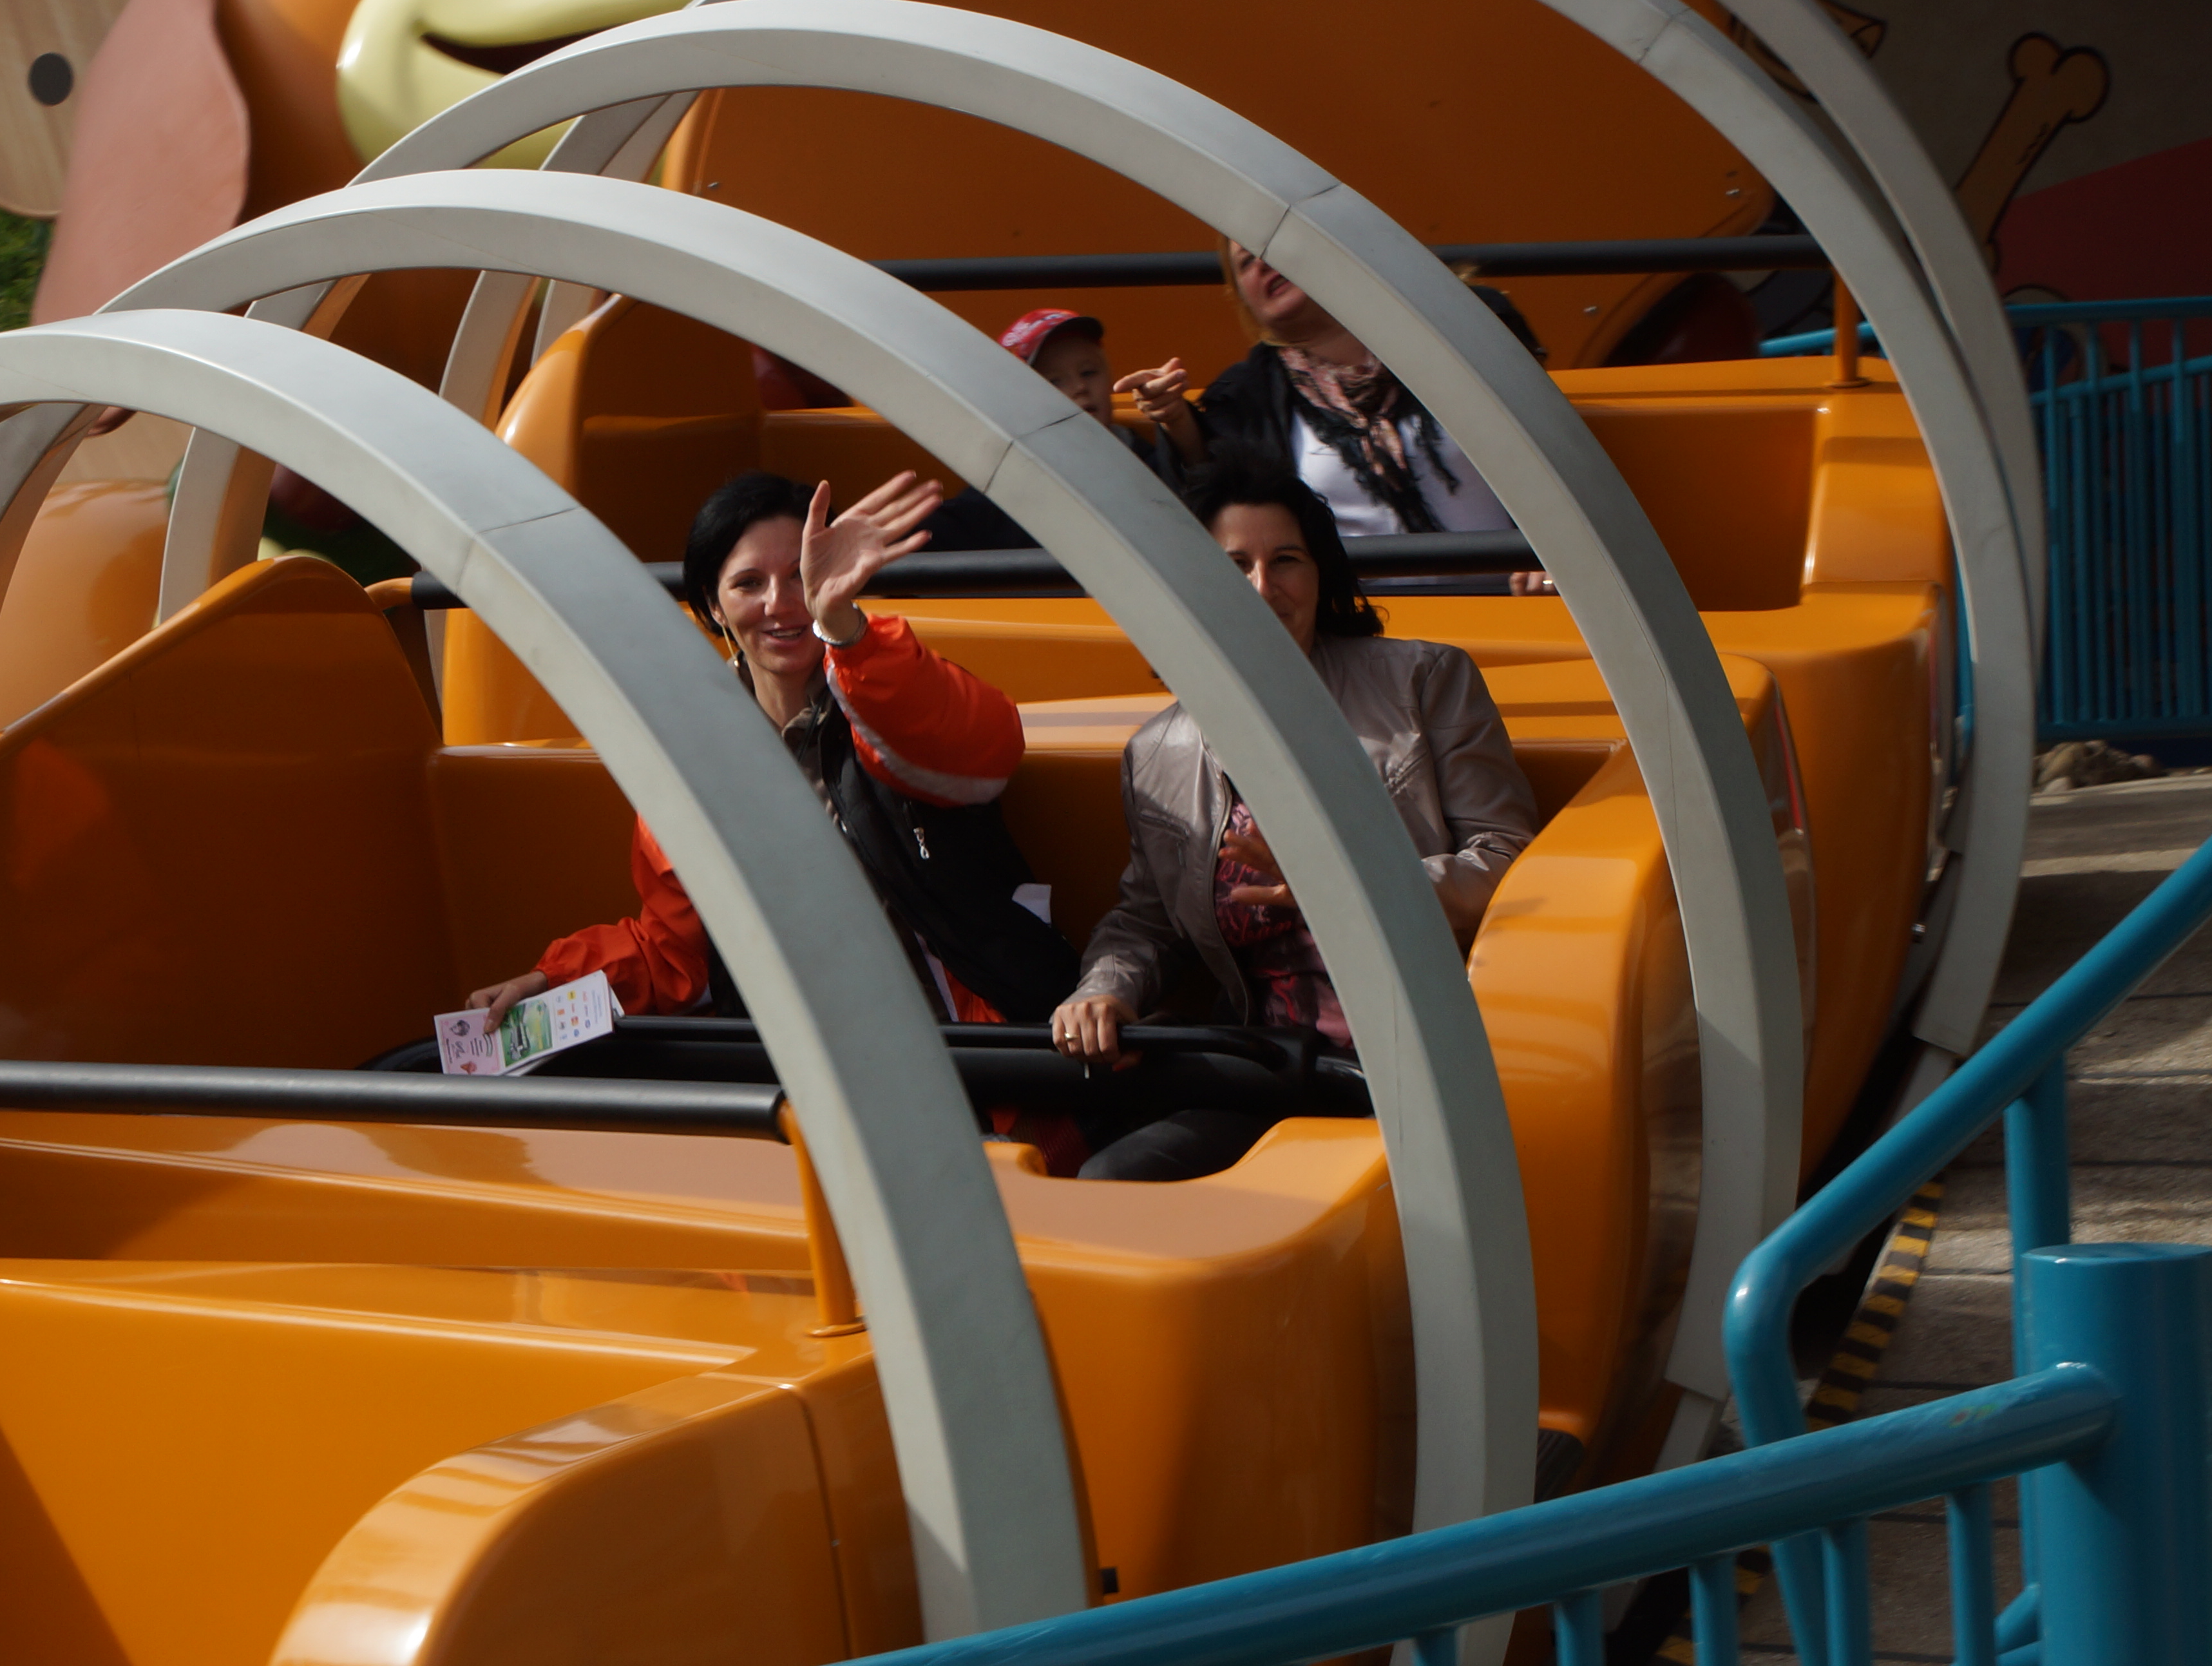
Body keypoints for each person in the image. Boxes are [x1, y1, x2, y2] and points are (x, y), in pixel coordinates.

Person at [1049, 454, 1539, 1182]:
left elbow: (1508, 858)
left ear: (1320, 576)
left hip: (1429, 1054)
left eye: (1285, 561)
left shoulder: (1424, 682)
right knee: (1113, 1183)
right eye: (1233, 566)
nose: (1261, 587)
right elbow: (1149, 920)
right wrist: (1105, 988)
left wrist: (1353, 884)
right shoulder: (1157, 753)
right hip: (1273, 1065)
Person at [466, 468, 1083, 1031]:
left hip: (968, 1054)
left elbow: (986, 749)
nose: (781, 604)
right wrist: (554, 983)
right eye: (749, 584)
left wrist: (845, 627)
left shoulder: (888, 689)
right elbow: (675, 958)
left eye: (800, 576)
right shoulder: (688, 762)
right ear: (713, 606)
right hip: (797, 1074)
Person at [1187, 244, 1556, 595]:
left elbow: (1553, 453)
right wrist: (1177, 423)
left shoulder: (1465, 323)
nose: (1263, 263)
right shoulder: (1245, 401)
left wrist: (1557, 557)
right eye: (1246, 262)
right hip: (1370, 624)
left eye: (1268, 246)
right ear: (1242, 297)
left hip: (1517, 604)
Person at [924, 309, 1202, 550]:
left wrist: (1178, 421)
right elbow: (940, 533)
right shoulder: (1002, 486)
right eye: (1054, 382)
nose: (1080, 388)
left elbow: (1201, 486)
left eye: (1089, 372)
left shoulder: (1152, 463)